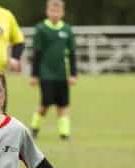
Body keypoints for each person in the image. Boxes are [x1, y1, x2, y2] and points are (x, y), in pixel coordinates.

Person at [30, 0, 77, 140]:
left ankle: (64, 134)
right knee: (45, 104)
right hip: (46, 74)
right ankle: (34, 128)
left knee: (63, 105)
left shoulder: (67, 30)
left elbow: (72, 53)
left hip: (62, 74)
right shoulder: (41, 29)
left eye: (58, 11)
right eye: (52, 11)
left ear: (62, 12)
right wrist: (34, 75)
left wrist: (73, 74)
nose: (55, 14)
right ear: (47, 12)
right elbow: (37, 54)